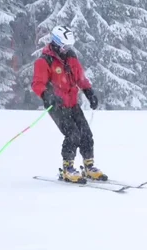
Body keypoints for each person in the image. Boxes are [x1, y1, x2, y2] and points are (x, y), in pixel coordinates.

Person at [31, 25, 105, 184]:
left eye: (69, 46)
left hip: (72, 103)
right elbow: (37, 84)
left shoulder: (71, 57)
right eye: (64, 46)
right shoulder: (44, 61)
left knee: (86, 132)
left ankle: (89, 166)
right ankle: (68, 168)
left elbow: (81, 78)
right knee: (73, 134)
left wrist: (89, 92)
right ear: (56, 43)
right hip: (56, 106)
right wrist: (47, 96)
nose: (66, 49)